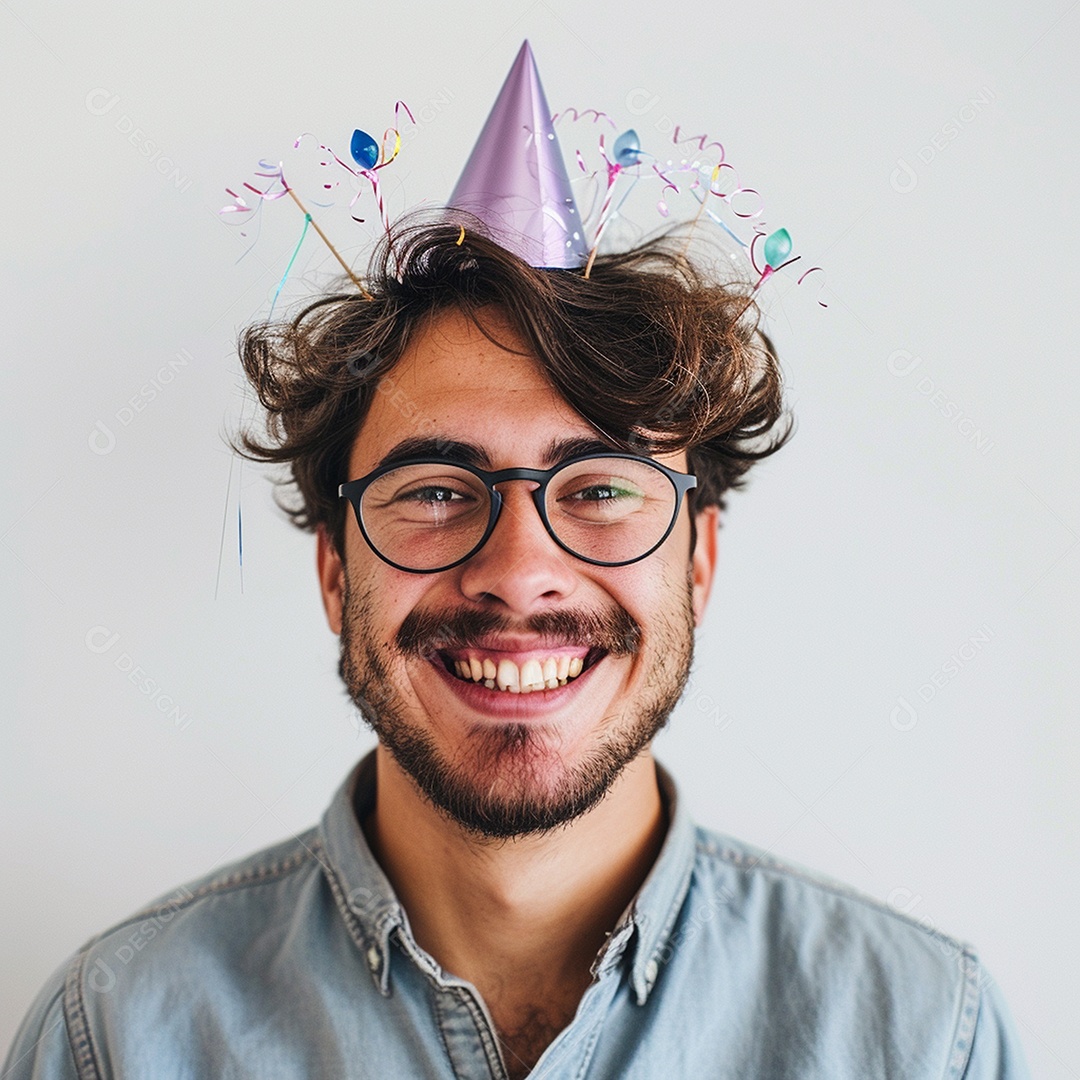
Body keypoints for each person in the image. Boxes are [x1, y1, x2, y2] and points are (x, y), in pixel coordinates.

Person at [6, 43, 1030, 1080]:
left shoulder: (924, 1038)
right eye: (438, 494)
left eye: (598, 490)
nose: (519, 571)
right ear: (332, 570)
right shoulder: (116, 1038)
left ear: (700, 562)